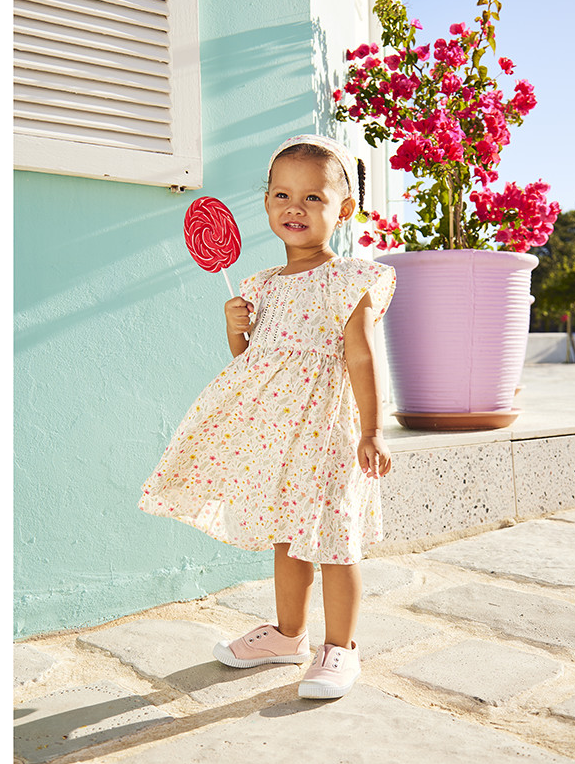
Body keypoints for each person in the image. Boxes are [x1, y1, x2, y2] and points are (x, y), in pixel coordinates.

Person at [139, 134, 396, 699]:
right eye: (282, 195)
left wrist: (372, 430)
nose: (294, 208)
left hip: (328, 431)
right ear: (267, 205)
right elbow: (253, 362)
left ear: (343, 211)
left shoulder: (349, 279)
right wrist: (236, 328)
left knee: (331, 538)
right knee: (287, 534)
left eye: (312, 198)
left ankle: (340, 648)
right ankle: (288, 635)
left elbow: (360, 354)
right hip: (276, 435)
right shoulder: (259, 285)